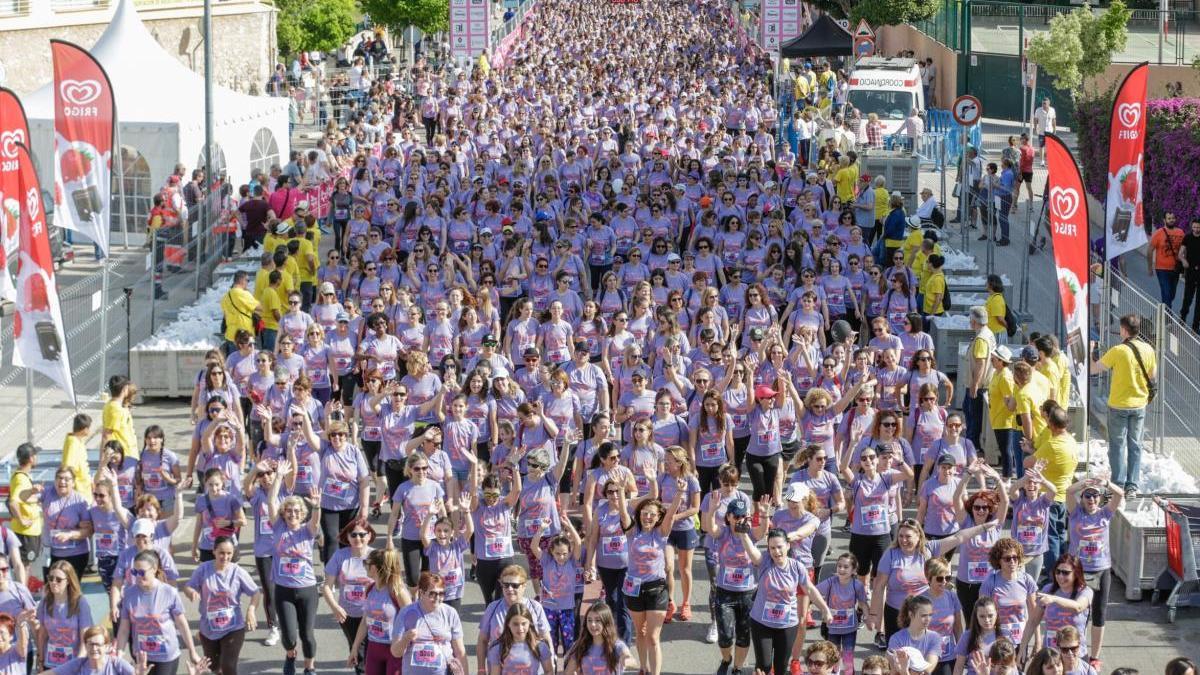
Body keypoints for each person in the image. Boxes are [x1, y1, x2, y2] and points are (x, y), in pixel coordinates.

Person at [745, 527, 831, 675]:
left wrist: (825, 609)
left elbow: (809, 589)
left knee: (781, 667)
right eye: (772, 548)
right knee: (764, 666)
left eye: (779, 547)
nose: (776, 552)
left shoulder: (797, 567)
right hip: (761, 623)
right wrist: (742, 535)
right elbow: (753, 553)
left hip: (787, 625)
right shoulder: (765, 561)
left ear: (788, 545)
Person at [1090, 314, 1156, 498]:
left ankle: (1118, 484)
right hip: (1139, 405)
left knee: (1117, 445)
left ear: (1125, 330)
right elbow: (1153, 376)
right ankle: (1132, 486)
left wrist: (1089, 352)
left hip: (1119, 405)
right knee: (1135, 445)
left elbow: (1095, 369)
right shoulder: (1148, 349)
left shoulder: (1118, 351)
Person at [114, 550, 204, 675]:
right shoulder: (129, 593)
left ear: (154, 569)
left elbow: (182, 625)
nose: (138, 576)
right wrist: (119, 652)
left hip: (166, 656)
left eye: (141, 572)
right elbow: (124, 628)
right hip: (141, 655)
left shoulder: (169, 592)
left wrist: (192, 652)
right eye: (134, 572)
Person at [1065, 477, 1122, 668]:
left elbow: (1119, 494)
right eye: (1087, 496)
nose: (1091, 500)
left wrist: (1106, 483)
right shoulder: (1075, 513)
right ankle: (1074, 650)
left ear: (1100, 498)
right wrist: (1084, 483)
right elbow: (1067, 491)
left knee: (1099, 613)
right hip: (1079, 570)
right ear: (1082, 498)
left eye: (1095, 496)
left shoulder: (1105, 513)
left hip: (1101, 569)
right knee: (1077, 613)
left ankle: (1094, 657)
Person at [182, 536, 261, 675]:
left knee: (228, 666)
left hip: (233, 627)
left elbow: (255, 592)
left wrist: (251, 610)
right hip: (209, 629)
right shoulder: (203, 569)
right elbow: (188, 586)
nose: (225, 557)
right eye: (221, 553)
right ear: (214, 551)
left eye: (229, 553)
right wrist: (191, 592)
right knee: (213, 668)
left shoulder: (238, 572)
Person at [391, 572, 467, 675]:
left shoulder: (450, 613)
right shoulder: (406, 612)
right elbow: (395, 652)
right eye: (433, 594)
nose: (437, 598)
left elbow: (460, 651)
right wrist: (406, 639)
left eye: (441, 594)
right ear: (421, 593)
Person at [563, 602, 632, 675]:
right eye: (589, 620)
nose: (592, 624)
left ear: (606, 622)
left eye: (597, 620)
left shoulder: (616, 645)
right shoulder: (580, 646)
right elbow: (567, 672)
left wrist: (626, 659)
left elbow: (627, 656)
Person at [485, 604, 555, 675]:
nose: (520, 628)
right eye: (515, 624)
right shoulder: (498, 648)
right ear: (508, 624)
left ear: (529, 623)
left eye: (524, 624)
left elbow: (549, 671)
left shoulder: (540, 646)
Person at [963, 306, 996, 452]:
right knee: (969, 411)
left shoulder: (981, 339)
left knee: (973, 416)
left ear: (974, 321)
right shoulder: (987, 333)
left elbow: (980, 362)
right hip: (982, 383)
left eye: (971, 319)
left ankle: (972, 446)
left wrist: (974, 385)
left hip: (978, 384)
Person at [1148, 213, 1185, 310]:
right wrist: (1150, 267)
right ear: (1164, 220)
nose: (1171, 220)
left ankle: (1163, 311)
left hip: (1175, 269)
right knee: (1166, 292)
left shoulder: (1181, 232)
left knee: (1171, 294)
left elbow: (1185, 250)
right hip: (1162, 269)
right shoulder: (1159, 233)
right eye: (1169, 218)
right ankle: (1168, 319)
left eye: (1173, 218)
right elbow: (1150, 250)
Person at [220, 272, 263, 356]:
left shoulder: (225, 297)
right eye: (247, 280)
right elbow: (260, 307)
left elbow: (225, 316)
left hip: (230, 335)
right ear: (242, 280)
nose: (247, 283)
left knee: (234, 363)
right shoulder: (243, 294)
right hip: (244, 336)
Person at [1179, 218, 1200, 332]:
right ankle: (1182, 319)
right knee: (1188, 298)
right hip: (1191, 272)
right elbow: (1180, 254)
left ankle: (1195, 326)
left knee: (1199, 303)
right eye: (1195, 227)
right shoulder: (1187, 238)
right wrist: (1183, 261)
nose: (1196, 229)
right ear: (1192, 227)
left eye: (1198, 227)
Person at [1033, 99, 1057, 166]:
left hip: (1050, 132)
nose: (1043, 105)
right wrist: (1035, 128)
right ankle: (1042, 161)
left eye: (1045, 103)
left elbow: (1054, 119)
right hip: (1041, 132)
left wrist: (1055, 129)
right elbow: (1035, 119)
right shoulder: (1038, 110)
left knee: (1050, 147)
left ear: (1049, 104)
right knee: (1041, 146)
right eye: (1043, 103)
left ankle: (1050, 161)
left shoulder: (1052, 110)